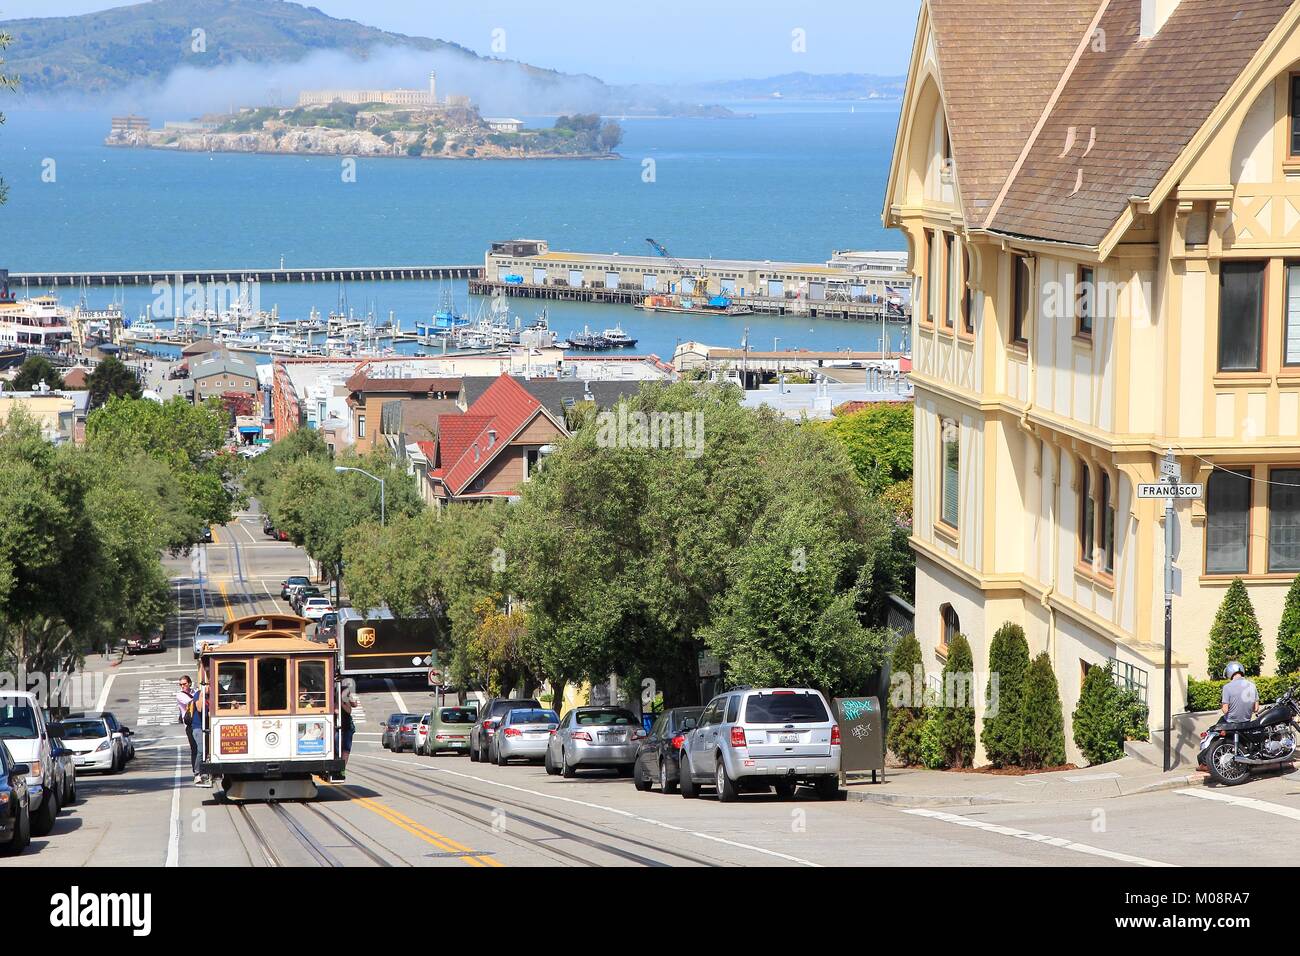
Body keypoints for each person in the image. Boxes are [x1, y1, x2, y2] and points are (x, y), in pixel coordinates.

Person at [176, 676, 201, 783]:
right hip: (190, 725)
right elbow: (192, 702)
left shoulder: (195, 691)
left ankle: (202, 769)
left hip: (199, 722)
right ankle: (196, 773)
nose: (183, 686)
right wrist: (200, 695)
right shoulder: (180, 695)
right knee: (195, 748)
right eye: (181, 684)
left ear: (190, 683)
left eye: (184, 684)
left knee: (202, 747)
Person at [338, 679, 358, 781]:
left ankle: (342, 769)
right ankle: (339, 768)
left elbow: (350, 709)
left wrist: (343, 702)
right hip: (339, 725)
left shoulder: (344, 696)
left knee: (346, 750)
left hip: (346, 726)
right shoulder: (338, 695)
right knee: (340, 749)